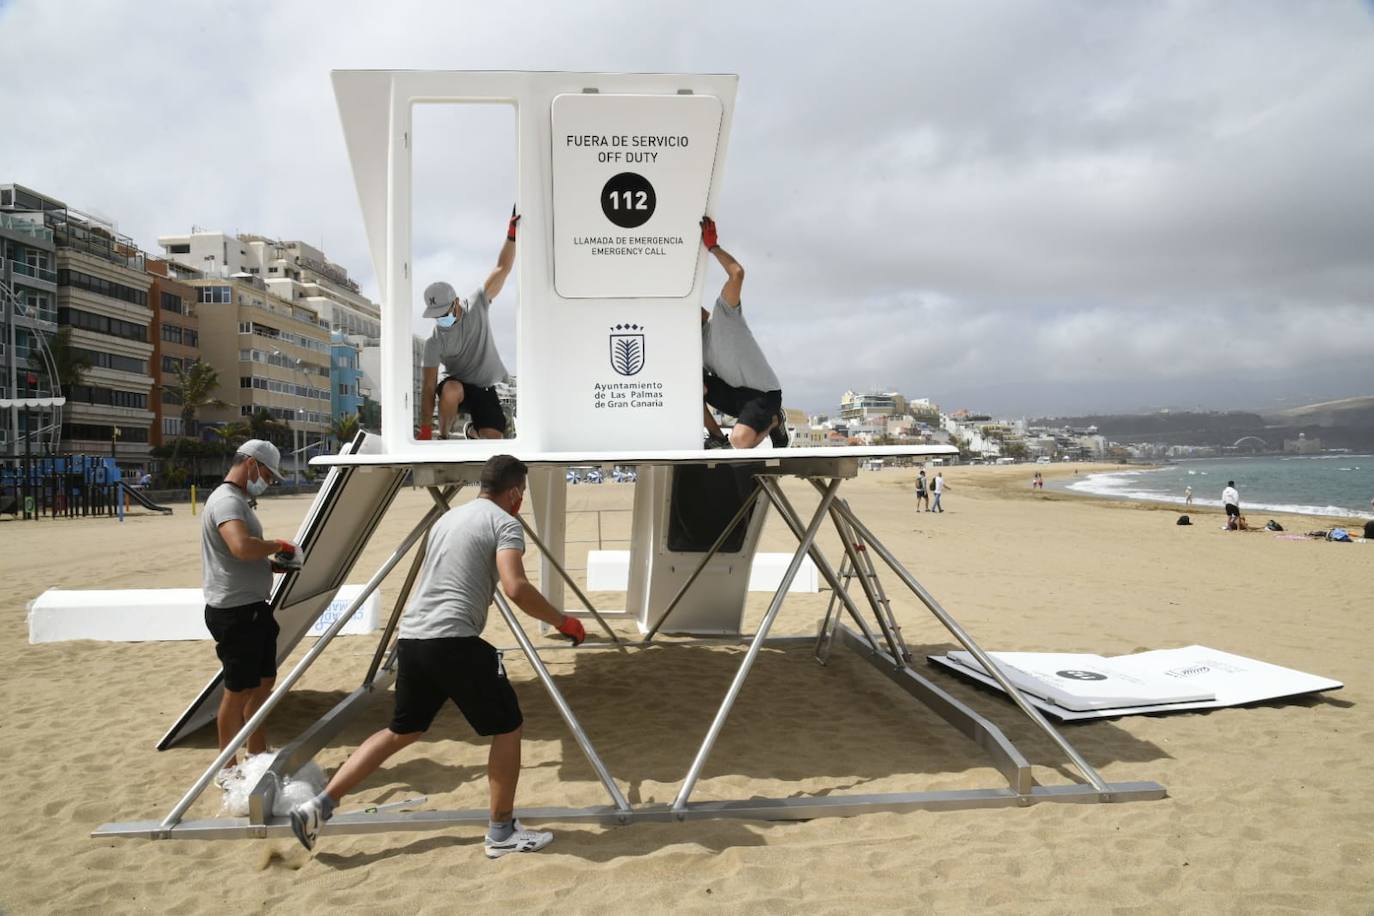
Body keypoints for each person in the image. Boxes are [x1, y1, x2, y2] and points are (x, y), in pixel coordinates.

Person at [289, 455, 588, 859]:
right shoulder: (504, 523)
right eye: (522, 493)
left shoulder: (447, 519)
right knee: (508, 727)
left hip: (413, 639)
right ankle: (501, 833)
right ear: (515, 492)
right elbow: (515, 587)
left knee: (402, 731)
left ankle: (320, 805)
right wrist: (563, 621)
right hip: (454, 641)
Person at [200, 439, 298, 781]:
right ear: (252, 464)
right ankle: (227, 770)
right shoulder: (226, 501)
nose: (267, 483)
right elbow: (241, 547)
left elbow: (239, 557)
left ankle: (256, 755)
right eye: (268, 476)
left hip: (253, 607)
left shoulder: (238, 500)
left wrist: (269, 565)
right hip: (235, 612)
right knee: (238, 690)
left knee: (263, 682)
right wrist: (279, 545)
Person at [417, 209, 521, 441]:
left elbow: (502, 268)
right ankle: (444, 435)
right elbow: (428, 387)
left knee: (493, 438)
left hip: (484, 386)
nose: (440, 319)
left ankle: (471, 431)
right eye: (436, 315)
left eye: (444, 313)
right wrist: (425, 430)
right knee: (450, 390)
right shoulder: (434, 341)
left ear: (456, 303)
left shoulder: (476, 305)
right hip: (456, 388)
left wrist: (511, 234)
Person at [699, 217, 787, 450]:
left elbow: (737, 273)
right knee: (692, 386)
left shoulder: (724, 315)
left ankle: (775, 420)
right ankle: (718, 438)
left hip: (764, 395)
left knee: (740, 441)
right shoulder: (696, 347)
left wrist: (713, 246)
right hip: (734, 395)